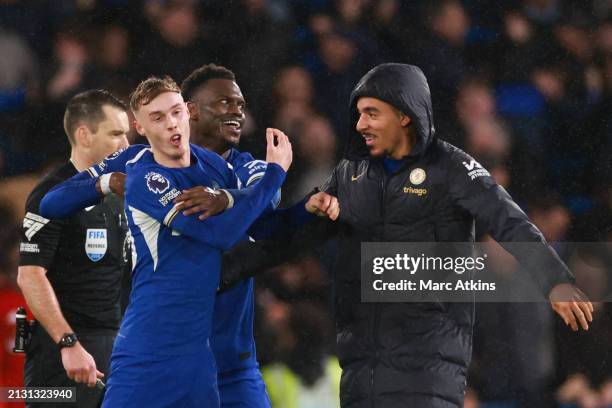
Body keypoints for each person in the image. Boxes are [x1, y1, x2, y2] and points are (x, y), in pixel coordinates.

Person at [224, 63, 594, 407]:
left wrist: (553, 280)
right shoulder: (351, 175)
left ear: (404, 115)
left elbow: (509, 221)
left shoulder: (452, 168)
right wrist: (221, 271)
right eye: (358, 114)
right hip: (360, 369)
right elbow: (290, 241)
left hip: (427, 368)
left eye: (372, 113)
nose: (360, 125)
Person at [39, 64, 284, 407]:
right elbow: (52, 202)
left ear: (185, 113)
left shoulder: (235, 167)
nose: (236, 112)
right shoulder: (139, 165)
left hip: (228, 358)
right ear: (193, 111)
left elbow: (269, 203)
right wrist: (106, 182)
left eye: (240, 104)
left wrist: (228, 196)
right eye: (225, 103)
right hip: (158, 347)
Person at [17, 90, 130, 407]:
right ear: (84, 135)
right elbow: (30, 275)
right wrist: (68, 342)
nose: (125, 145)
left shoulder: (118, 194)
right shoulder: (51, 194)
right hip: (62, 355)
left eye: (127, 134)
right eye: (116, 134)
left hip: (113, 349)